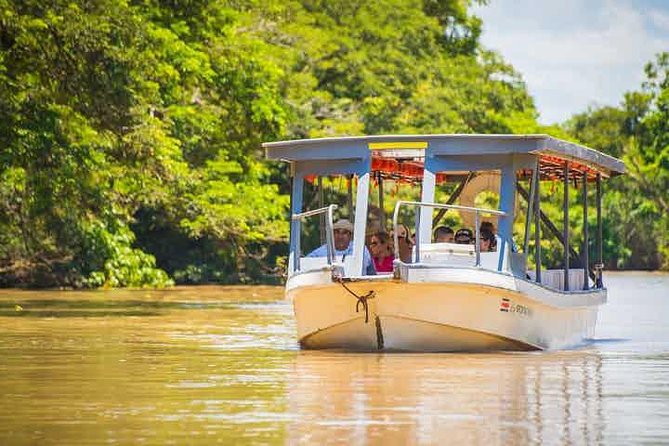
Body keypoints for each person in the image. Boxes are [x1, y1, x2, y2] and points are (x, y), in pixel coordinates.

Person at [307, 219, 376, 275]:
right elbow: (306, 264)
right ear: (332, 234)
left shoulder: (360, 249)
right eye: (337, 232)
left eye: (345, 232)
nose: (340, 236)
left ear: (350, 236)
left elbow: (371, 273)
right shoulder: (321, 252)